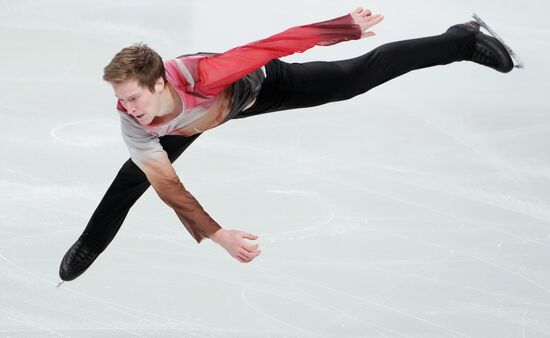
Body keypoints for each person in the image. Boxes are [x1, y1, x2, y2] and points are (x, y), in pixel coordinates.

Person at [59, 7, 516, 282]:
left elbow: (271, 45)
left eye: (134, 98)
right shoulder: (136, 121)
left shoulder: (209, 74)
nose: (127, 109)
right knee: (130, 182)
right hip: (184, 125)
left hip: (258, 88)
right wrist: (218, 236)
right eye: (121, 100)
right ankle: (90, 244)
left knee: (355, 77)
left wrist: (344, 27)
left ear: (158, 82)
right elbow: (170, 188)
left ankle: (462, 40)